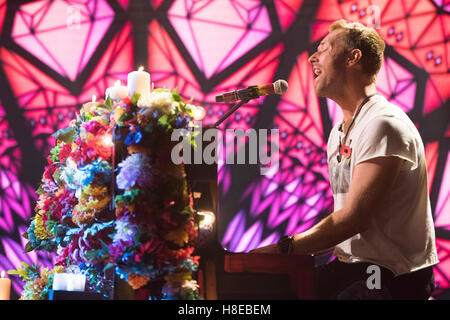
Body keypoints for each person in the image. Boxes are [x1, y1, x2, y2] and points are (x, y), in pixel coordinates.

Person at [251, 19, 438, 299]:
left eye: (324, 48)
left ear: (353, 57)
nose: (312, 57)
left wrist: (284, 248)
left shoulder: (382, 124)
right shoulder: (339, 131)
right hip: (352, 267)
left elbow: (354, 220)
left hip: (389, 275)